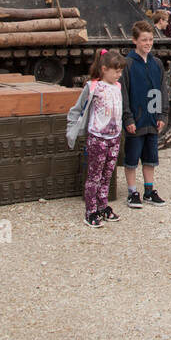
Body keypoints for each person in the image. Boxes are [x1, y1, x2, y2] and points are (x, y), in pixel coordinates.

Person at [74, 50, 126, 228]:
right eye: (116, 71)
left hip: (114, 136)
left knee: (107, 174)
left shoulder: (117, 86)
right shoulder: (93, 87)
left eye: (120, 72)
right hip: (98, 137)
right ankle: (90, 210)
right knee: (94, 175)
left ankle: (103, 206)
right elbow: (80, 107)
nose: (119, 75)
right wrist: (74, 128)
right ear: (104, 69)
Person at [120, 21, 168, 208]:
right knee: (132, 158)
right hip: (136, 118)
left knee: (150, 157)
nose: (148, 43)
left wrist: (162, 115)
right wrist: (127, 118)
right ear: (135, 41)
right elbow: (124, 93)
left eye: (150, 40)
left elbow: (162, 89)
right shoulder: (128, 64)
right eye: (144, 40)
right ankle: (132, 191)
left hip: (152, 118)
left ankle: (149, 190)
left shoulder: (156, 63)